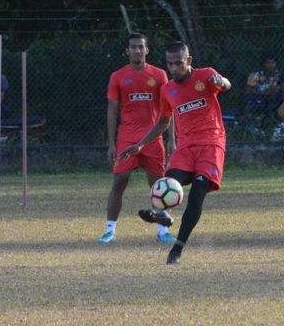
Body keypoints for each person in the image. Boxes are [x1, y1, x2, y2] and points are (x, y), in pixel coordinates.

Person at [120, 41, 231, 264]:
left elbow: (226, 84)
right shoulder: (167, 89)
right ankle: (162, 214)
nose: (174, 68)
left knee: (197, 192)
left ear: (188, 61)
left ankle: (177, 248)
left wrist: (221, 81)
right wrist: (141, 144)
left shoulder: (206, 76)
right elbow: (163, 122)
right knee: (167, 183)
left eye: (178, 63)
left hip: (211, 144)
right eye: (170, 64)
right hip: (185, 147)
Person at [98, 33, 175, 244]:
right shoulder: (118, 76)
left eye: (141, 47)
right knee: (119, 181)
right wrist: (112, 142)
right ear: (127, 51)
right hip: (127, 138)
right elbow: (112, 110)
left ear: (147, 50)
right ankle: (110, 230)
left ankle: (162, 231)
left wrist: (171, 139)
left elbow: (169, 108)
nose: (137, 50)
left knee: (159, 185)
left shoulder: (159, 75)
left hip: (153, 137)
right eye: (133, 47)